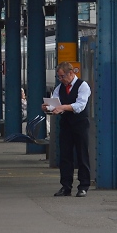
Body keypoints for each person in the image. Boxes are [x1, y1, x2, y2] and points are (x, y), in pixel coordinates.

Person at [43, 62, 91, 197]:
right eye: (59, 77)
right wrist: (48, 107)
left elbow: (80, 105)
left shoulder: (83, 86)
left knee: (82, 155)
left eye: (62, 76)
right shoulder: (60, 88)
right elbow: (54, 103)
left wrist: (62, 107)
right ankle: (66, 186)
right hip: (65, 125)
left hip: (80, 124)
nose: (61, 79)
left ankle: (83, 185)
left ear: (71, 73)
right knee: (65, 155)